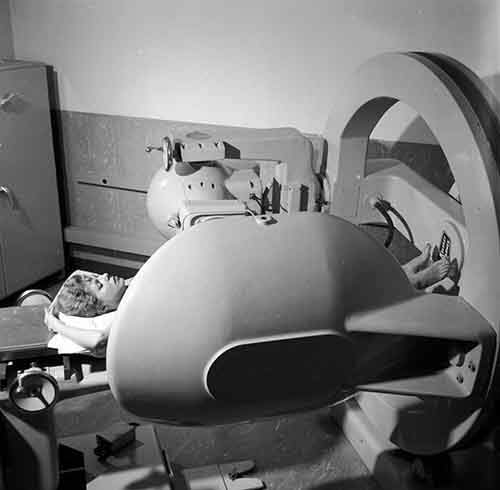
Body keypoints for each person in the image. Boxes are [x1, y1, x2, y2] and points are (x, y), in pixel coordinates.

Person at [44, 272, 132, 355]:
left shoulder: (133, 286)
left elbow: (77, 272)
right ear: (102, 308)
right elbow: (98, 340)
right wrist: (56, 325)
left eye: (97, 277)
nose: (105, 275)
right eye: (100, 285)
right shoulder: (126, 312)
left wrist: (54, 309)